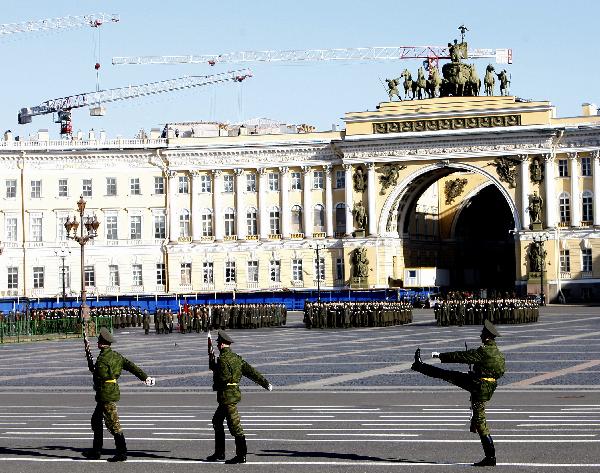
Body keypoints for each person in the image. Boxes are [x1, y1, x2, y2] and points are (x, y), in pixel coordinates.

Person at [411, 320, 505, 467]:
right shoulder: (498, 353)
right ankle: (419, 366)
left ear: (487, 336)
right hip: (484, 386)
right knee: (450, 376)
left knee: (480, 421)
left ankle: (490, 457)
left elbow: (461, 356)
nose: (480, 334)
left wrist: (440, 356)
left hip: (478, 386)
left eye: (482, 333)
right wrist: (478, 372)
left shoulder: (484, 351)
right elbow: (499, 372)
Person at [83, 328, 155, 462]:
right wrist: (145, 377)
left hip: (106, 394)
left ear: (101, 343)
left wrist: (92, 367)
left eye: (99, 340)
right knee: (96, 421)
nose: (98, 342)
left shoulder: (103, 359)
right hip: (110, 391)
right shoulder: (116, 355)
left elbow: (100, 375)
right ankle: (96, 450)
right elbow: (131, 366)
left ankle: (122, 452)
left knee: (114, 424)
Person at [207, 330, 272, 464]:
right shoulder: (237, 358)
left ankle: (241, 455)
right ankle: (220, 452)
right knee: (217, 421)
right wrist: (265, 383)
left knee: (235, 426)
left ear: (222, 345)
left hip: (227, 398)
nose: (218, 346)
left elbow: (224, 378)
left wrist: (214, 366)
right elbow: (251, 372)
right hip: (231, 396)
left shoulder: (223, 360)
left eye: (219, 344)